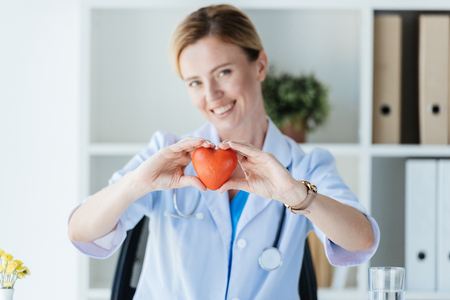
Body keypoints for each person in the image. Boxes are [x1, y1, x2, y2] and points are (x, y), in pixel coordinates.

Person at [68, 4, 379, 299]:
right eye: (194, 82)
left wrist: (297, 195)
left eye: (223, 73)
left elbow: (362, 239)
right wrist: (137, 184)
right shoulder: (166, 152)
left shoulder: (305, 165)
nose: (211, 95)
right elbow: (81, 231)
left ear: (259, 66)